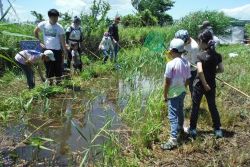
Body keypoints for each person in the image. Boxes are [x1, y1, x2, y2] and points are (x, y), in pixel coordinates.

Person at [188, 29, 224, 139]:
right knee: (212, 106)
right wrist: (212, 73)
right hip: (211, 85)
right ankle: (217, 129)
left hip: (199, 85)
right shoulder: (217, 55)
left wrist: (204, 84)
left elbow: (199, 71)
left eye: (199, 41)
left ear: (204, 42)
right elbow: (221, 69)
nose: (198, 43)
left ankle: (193, 129)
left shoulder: (200, 56)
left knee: (195, 107)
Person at [161, 38, 191, 150]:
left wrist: (165, 95)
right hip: (182, 91)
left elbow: (167, 82)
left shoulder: (170, 64)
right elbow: (188, 79)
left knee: (172, 116)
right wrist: (184, 87)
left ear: (172, 50)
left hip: (173, 94)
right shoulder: (186, 63)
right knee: (180, 110)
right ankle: (180, 128)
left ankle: (173, 139)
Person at [34, 9, 67, 85]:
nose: (56, 19)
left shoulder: (59, 27)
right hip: (47, 50)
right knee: (49, 67)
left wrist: (65, 51)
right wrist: (39, 42)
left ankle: (59, 83)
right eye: (54, 18)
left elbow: (62, 40)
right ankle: (50, 83)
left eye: (57, 18)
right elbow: (35, 31)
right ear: (49, 17)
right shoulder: (43, 24)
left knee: (58, 67)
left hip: (57, 50)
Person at [175, 29, 199, 95]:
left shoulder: (194, 47)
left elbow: (193, 64)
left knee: (193, 89)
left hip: (191, 71)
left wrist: (183, 63)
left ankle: (194, 104)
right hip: (182, 68)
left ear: (186, 40)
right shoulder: (182, 42)